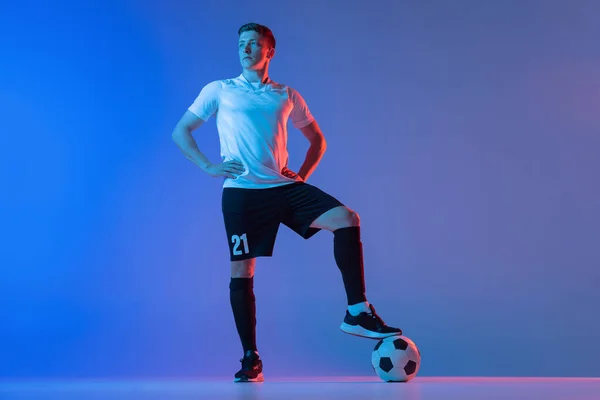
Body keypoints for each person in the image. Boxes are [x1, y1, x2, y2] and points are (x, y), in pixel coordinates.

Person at [172, 22, 402, 383]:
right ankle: (251, 358)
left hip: (282, 187)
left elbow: (317, 140)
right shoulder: (219, 90)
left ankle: (357, 311)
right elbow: (180, 131)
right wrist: (209, 166)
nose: (246, 49)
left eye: (254, 44)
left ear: (269, 51)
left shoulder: (285, 95)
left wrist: (303, 176)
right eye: (241, 44)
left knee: (346, 218)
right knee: (242, 272)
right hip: (242, 193)